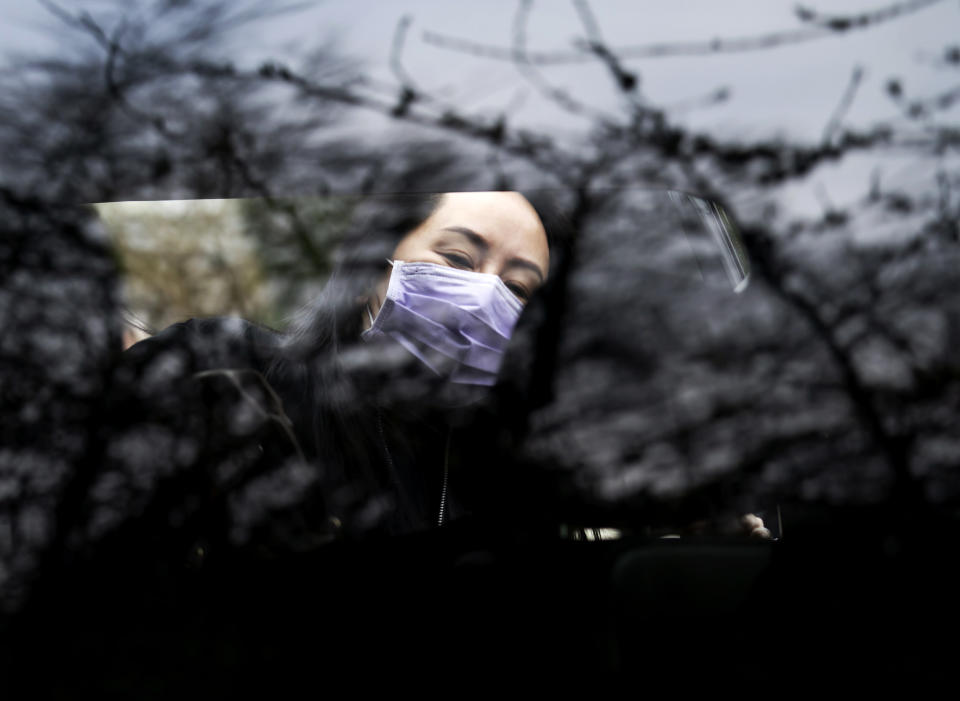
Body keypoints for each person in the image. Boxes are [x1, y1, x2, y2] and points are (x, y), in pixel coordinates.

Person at [115, 189, 555, 552]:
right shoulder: (231, 361)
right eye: (459, 260)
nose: (484, 298)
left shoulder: (499, 478)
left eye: (516, 288)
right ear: (370, 269)